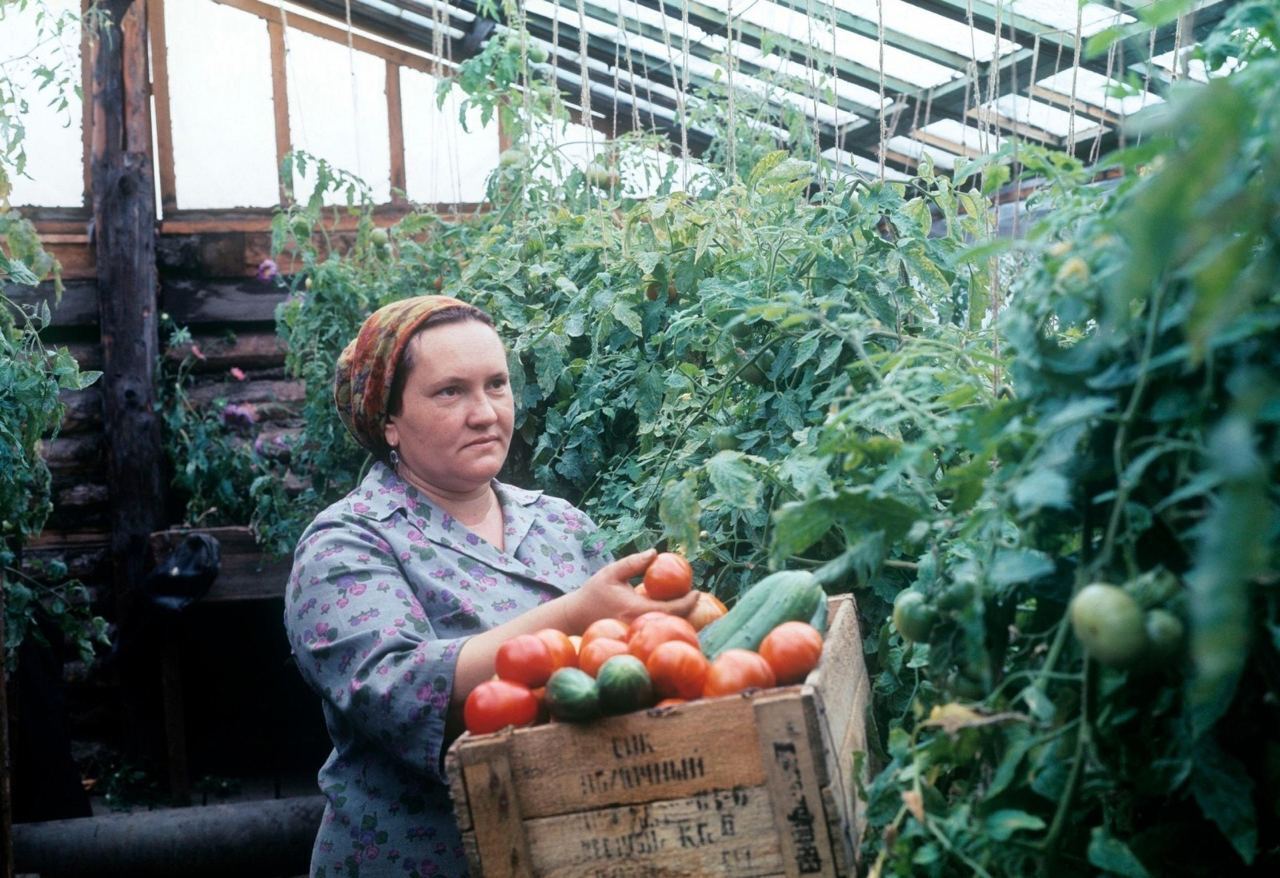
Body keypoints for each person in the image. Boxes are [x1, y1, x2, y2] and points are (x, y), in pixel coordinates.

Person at [283, 295, 698, 877]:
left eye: (496, 385)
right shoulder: (345, 545)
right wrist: (579, 614)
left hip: (574, 851)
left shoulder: (560, 523)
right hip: (422, 859)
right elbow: (397, 687)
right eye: (450, 391)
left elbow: (618, 672)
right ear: (389, 422)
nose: (485, 413)